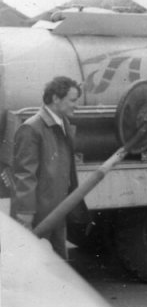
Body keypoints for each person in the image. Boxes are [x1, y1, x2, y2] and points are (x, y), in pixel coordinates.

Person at [11, 76, 88, 260]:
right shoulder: (32, 128)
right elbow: (24, 175)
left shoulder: (63, 124)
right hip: (39, 217)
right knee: (34, 268)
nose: (76, 105)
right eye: (72, 100)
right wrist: (25, 218)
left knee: (59, 266)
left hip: (57, 213)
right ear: (55, 98)